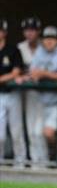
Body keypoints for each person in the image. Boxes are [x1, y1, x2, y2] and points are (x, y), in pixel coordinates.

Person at [26, 26, 57, 161]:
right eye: (47, 38)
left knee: (48, 133)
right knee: (36, 133)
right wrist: (39, 74)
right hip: (41, 100)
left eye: (52, 39)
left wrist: (43, 74)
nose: (49, 41)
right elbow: (33, 72)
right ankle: (44, 161)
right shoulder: (40, 51)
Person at [16, 16, 48, 169]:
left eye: (33, 30)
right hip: (26, 93)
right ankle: (35, 162)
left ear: (38, 31)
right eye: (27, 30)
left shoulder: (45, 46)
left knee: (39, 130)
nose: (30, 33)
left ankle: (44, 162)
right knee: (29, 129)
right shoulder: (20, 48)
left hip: (45, 93)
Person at [0, 18, 27, 169]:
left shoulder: (13, 50)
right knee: (0, 134)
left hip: (13, 94)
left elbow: (16, 71)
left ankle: (20, 162)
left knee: (17, 130)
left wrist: (3, 78)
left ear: (4, 32)